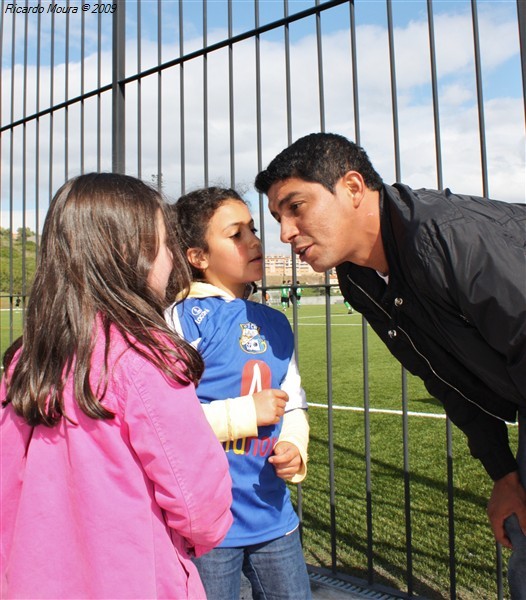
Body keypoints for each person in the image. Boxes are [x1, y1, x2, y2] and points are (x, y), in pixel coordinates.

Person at [255, 132, 526, 598]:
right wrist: (504, 472)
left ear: (354, 187)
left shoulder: (449, 237)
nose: (284, 231)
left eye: (296, 206)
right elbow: (441, 377)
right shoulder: (357, 278)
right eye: (278, 216)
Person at [0, 173, 233, 599]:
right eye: (164, 244)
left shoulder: (23, 360)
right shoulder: (145, 356)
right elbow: (200, 505)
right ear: (130, 255)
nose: (171, 258)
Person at [165, 187, 311, 600]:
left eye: (253, 229)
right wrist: (246, 413)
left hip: (273, 514)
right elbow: (164, 421)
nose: (255, 241)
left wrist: (293, 445)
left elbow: (293, 401)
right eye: (236, 234)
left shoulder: (276, 322)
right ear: (198, 257)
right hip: (207, 522)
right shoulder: (182, 320)